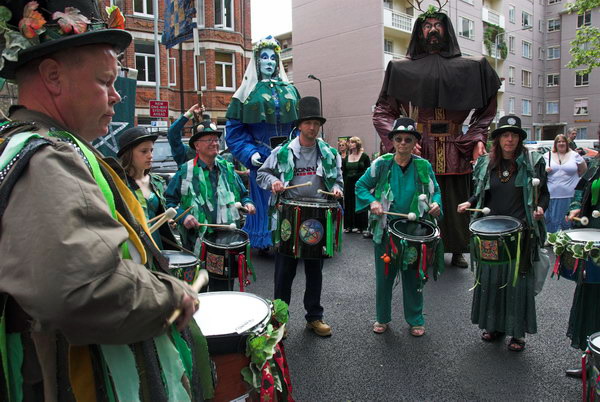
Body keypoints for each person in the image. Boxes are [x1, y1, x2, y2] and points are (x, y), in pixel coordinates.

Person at [0, 1, 210, 400]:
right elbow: (83, 289)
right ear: (53, 77)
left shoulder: (23, 145)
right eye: (105, 81)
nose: (116, 96)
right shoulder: (48, 158)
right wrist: (172, 294)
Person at [373, 5, 501, 269]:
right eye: (426, 25)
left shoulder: (472, 67)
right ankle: (421, 243)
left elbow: (487, 109)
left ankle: (457, 248)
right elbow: (383, 111)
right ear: (419, 31)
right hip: (421, 146)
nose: (432, 29)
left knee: (455, 200)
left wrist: (477, 136)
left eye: (437, 24)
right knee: (420, 198)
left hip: (455, 147)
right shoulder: (401, 68)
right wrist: (401, 141)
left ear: (447, 30)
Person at [457, 115, 548, 352]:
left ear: (520, 138)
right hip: (489, 232)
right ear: (497, 139)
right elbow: (477, 193)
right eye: (505, 135)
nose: (510, 139)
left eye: (514, 135)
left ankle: (517, 333)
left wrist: (540, 208)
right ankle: (493, 326)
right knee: (491, 280)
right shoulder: (486, 163)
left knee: (516, 283)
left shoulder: (533, 161)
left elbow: (544, 194)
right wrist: (468, 203)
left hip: (521, 233)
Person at [257, 96, 343, 337]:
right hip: (289, 217)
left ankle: (314, 317)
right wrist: (274, 182)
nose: (312, 128)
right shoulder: (282, 152)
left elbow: (337, 179)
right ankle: (279, 321)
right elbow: (262, 174)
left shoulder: (329, 153)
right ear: (299, 125)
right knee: (284, 273)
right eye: (308, 123)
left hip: (317, 217)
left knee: (315, 272)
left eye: (316, 123)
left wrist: (337, 189)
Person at [355, 117, 442, 335]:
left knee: (413, 276)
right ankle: (382, 318)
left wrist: (435, 204)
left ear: (415, 143)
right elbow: (361, 186)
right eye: (399, 139)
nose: (403, 143)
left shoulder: (423, 166)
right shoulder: (381, 164)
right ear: (392, 141)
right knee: (384, 276)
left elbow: (437, 191)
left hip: (415, 231)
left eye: (408, 139)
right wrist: (372, 201)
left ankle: (415, 319)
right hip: (386, 231)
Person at [225, 35, 301, 251]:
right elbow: (235, 132)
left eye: (273, 58)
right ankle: (267, 239)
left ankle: (292, 236)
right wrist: (250, 153)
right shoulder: (245, 94)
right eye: (264, 57)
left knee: (291, 196)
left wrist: (298, 147)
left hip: (289, 157)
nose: (269, 62)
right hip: (262, 158)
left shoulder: (290, 91)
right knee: (266, 200)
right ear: (257, 61)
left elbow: (300, 124)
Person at [166, 118, 256, 291]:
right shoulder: (185, 172)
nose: (215, 143)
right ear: (197, 146)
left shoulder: (227, 169)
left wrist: (247, 203)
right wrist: (183, 216)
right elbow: (169, 202)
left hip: (225, 244)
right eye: (209, 140)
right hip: (195, 244)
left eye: (216, 139)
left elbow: (244, 195)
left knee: (222, 294)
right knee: (196, 295)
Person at [564, 151, 600, 378]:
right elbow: (580, 190)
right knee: (591, 299)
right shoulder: (596, 165)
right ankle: (592, 363)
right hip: (594, 236)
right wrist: (575, 207)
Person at [118, 127, 178, 249]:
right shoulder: (119, 184)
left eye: (151, 150)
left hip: (157, 242)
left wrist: (166, 220)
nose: (150, 156)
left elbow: (160, 211)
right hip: (132, 245)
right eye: (144, 151)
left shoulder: (157, 181)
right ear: (129, 154)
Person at [543, 134, 587, 234]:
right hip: (552, 195)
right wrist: (545, 171)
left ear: (567, 144)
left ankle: (567, 243)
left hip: (570, 195)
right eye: (559, 141)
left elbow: (583, 169)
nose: (561, 143)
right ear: (555, 144)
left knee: (568, 221)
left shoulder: (574, 155)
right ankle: (550, 241)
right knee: (551, 221)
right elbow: (540, 173)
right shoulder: (547, 155)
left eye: (563, 141)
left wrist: (574, 177)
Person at [342, 136, 370, 234]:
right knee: (349, 204)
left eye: (352, 142)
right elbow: (344, 172)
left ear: (357, 144)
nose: (350, 144)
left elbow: (367, 171)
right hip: (348, 184)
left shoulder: (364, 157)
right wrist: (344, 183)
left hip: (360, 183)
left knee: (360, 202)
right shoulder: (346, 158)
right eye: (349, 142)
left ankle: (361, 226)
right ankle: (349, 225)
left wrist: (355, 176)